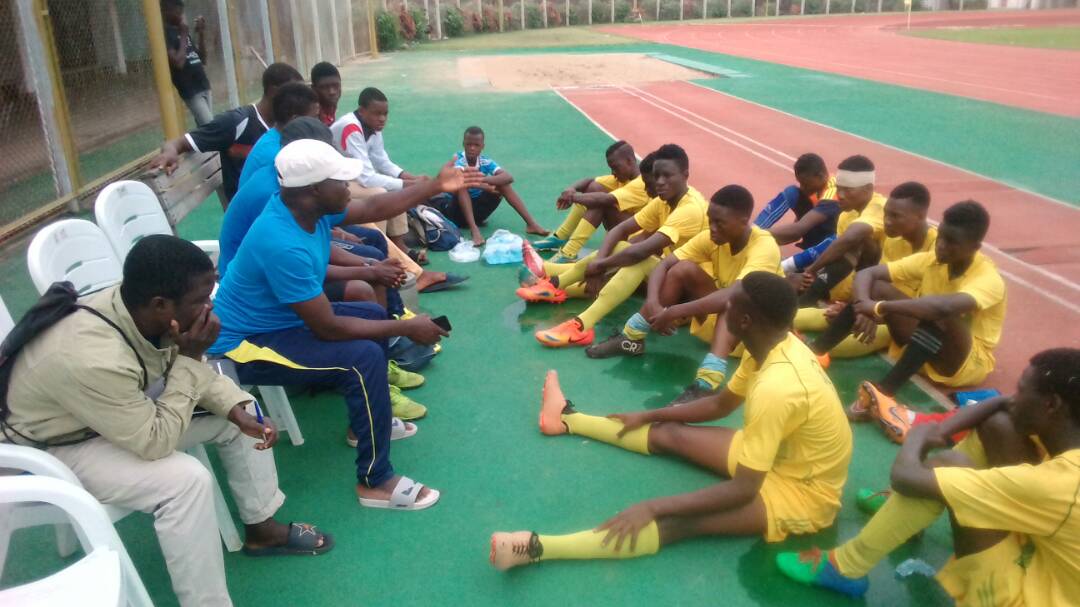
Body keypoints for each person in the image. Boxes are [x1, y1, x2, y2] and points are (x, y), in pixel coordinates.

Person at [2, 235, 331, 606]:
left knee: (240, 414)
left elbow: (182, 372)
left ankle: (262, 528)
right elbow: (155, 440)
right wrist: (191, 358)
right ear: (161, 304)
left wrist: (236, 407)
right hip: (48, 448)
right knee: (184, 482)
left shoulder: (142, 310)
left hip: (106, 414)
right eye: (200, 300)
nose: (210, 306)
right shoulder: (92, 357)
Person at [489, 272, 852, 570]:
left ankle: (536, 548)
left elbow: (744, 489)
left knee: (680, 523)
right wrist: (651, 414)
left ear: (744, 321)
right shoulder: (771, 346)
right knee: (668, 433)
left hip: (804, 493)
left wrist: (652, 506)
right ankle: (566, 419)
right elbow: (721, 404)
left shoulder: (778, 387)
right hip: (781, 457)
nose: (722, 305)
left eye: (730, 302)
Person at [208, 139, 482, 509]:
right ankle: (375, 480)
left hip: (279, 321)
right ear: (313, 190)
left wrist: (435, 184)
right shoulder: (280, 240)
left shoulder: (305, 210)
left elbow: (374, 206)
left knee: (373, 314)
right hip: (244, 342)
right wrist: (407, 327)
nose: (349, 187)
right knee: (361, 358)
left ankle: (362, 425)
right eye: (340, 181)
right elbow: (329, 329)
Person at [776, 348, 1080, 605]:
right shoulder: (1067, 440)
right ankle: (904, 515)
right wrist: (943, 429)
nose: (1015, 397)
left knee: (945, 467)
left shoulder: (1057, 485)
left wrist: (918, 435)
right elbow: (1002, 405)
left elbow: (904, 476)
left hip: (1031, 595)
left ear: (1051, 404)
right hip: (1052, 552)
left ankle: (845, 566)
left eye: (1022, 390)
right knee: (1000, 424)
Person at [587, 185, 783, 406]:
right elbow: (664, 266)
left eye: (720, 223)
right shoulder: (712, 238)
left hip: (754, 337)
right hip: (725, 327)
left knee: (735, 300)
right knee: (682, 269)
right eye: (710, 220)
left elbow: (735, 295)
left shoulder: (764, 246)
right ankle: (631, 338)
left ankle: (707, 383)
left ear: (743, 221)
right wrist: (653, 303)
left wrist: (673, 312)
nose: (712, 228)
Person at [845, 200, 1006, 439]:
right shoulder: (933, 260)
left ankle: (884, 392)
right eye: (941, 236)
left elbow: (943, 307)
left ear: (975, 247)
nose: (941, 245)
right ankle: (818, 350)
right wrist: (863, 308)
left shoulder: (989, 278)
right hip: (927, 346)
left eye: (951, 242)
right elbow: (868, 274)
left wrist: (879, 308)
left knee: (939, 311)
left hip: (966, 362)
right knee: (878, 286)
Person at [519, 145, 708, 348]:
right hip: (668, 276)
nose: (660, 182)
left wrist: (599, 265)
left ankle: (561, 292)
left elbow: (642, 250)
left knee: (637, 260)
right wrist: (601, 262)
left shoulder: (690, 209)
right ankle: (557, 286)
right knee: (623, 252)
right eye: (657, 176)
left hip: (691, 295)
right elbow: (620, 230)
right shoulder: (664, 201)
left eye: (667, 176)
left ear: (685, 175)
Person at [802, 181, 937, 366]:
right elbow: (872, 281)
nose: (887, 221)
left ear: (920, 216)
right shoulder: (893, 241)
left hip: (913, 327)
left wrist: (873, 311)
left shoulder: (938, 251)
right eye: (886, 214)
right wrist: (864, 308)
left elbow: (927, 312)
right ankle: (787, 327)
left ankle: (813, 350)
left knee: (857, 328)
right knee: (833, 315)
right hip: (883, 311)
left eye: (895, 216)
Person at [150, 62, 304, 204]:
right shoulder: (237, 121)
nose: (300, 101)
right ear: (274, 92)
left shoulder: (285, 125)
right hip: (249, 210)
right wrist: (170, 151)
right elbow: (178, 143)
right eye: (295, 94)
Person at [330, 87, 426, 255]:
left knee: (394, 190)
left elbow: (382, 162)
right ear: (362, 111)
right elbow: (366, 178)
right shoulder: (350, 128)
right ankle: (380, 247)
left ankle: (399, 245)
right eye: (377, 114)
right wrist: (409, 185)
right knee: (380, 193)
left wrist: (412, 178)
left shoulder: (372, 126)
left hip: (352, 176)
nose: (382, 119)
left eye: (385, 114)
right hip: (335, 181)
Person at [792, 155, 887, 307]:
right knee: (790, 284)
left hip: (882, 290)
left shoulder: (880, 207)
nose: (840, 195)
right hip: (849, 285)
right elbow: (842, 257)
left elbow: (850, 239)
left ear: (868, 188)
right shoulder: (845, 215)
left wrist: (812, 269)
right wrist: (811, 275)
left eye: (847, 190)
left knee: (856, 241)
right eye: (838, 188)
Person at [533, 140, 651, 262]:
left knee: (600, 202)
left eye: (615, 168)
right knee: (594, 187)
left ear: (629, 161)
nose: (613, 173)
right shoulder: (623, 178)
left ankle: (569, 252)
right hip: (621, 231)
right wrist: (571, 189)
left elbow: (604, 199)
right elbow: (590, 181)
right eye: (611, 169)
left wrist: (572, 198)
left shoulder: (641, 184)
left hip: (636, 240)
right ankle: (561, 236)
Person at [430, 126, 547, 245]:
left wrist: (484, 179)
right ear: (463, 144)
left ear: (482, 146)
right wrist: (485, 186)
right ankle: (474, 230)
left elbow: (508, 177)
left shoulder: (485, 161)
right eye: (469, 144)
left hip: (478, 213)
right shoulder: (458, 160)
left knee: (503, 185)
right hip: (456, 213)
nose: (472, 148)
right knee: (462, 187)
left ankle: (531, 224)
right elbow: (461, 179)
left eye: (476, 145)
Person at [754, 152, 840, 270]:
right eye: (801, 183)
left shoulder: (832, 194)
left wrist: (754, 235)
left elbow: (798, 230)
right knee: (792, 192)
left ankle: (791, 265)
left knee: (832, 238)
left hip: (832, 241)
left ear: (820, 176)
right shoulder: (817, 185)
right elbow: (794, 233)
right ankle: (755, 229)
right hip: (815, 231)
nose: (803, 188)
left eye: (806, 184)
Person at [237, 82, 319, 188]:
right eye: (314, 118)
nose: (318, 123)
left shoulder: (276, 137)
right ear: (295, 120)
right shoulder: (278, 156)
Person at [161, 0, 212, 126]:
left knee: (205, 128)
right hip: (191, 89)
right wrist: (183, 34)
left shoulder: (182, 30)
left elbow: (203, 59)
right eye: (177, 11)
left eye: (181, 11)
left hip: (203, 84)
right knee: (210, 127)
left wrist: (200, 33)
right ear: (166, 11)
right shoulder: (165, 34)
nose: (181, 14)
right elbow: (178, 63)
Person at [311, 61, 342, 126]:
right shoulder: (312, 117)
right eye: (324, 87)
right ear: (313, 89)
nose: (332, 92)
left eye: (336, 85)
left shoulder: (330, 108)